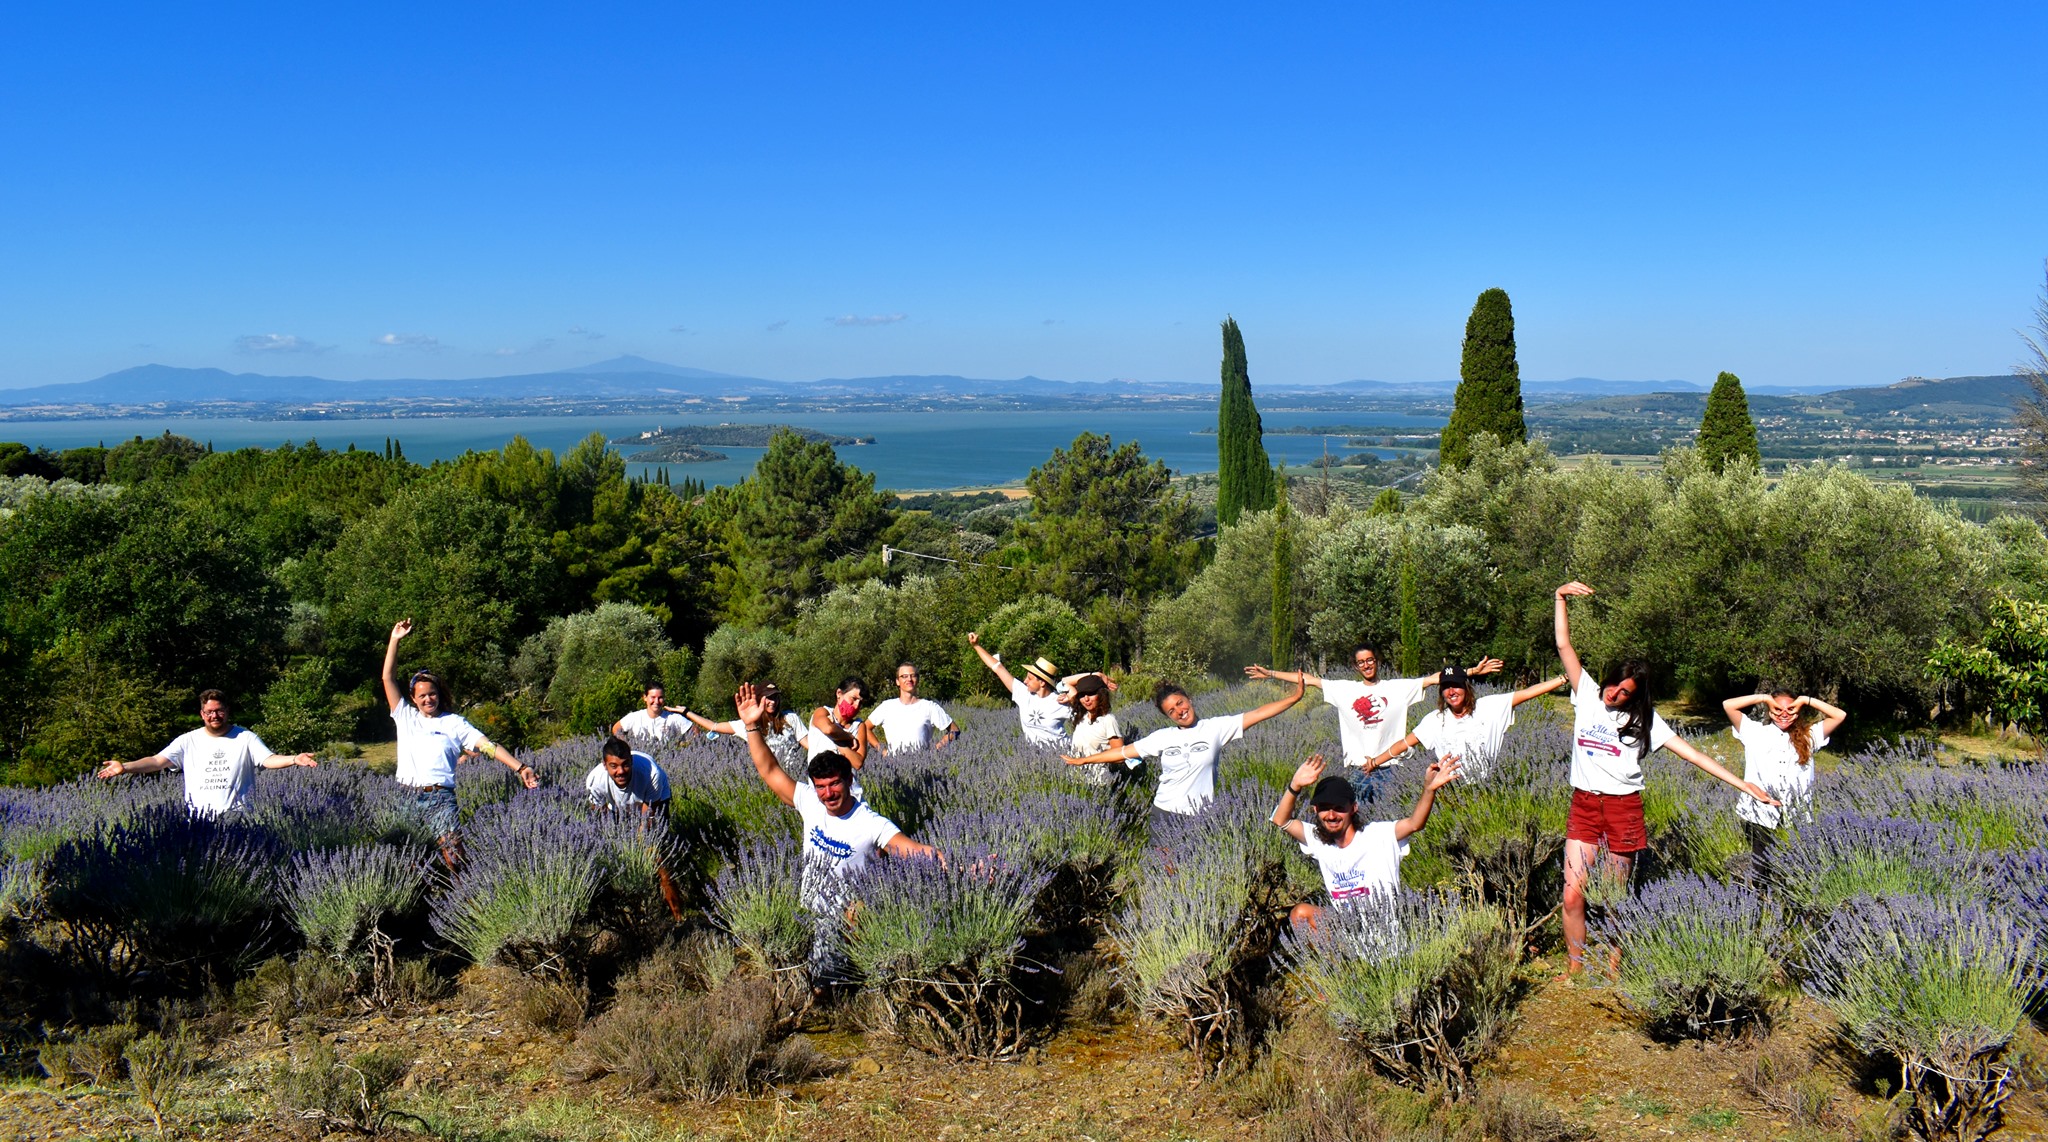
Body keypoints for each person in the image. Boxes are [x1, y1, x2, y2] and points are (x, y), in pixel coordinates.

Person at [1553, 582, 1776, 976]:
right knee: (1572, 895)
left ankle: (1613, 966)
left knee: (1612, 896)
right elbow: (1564, 646)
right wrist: (1560, 599)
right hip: (1584, 805)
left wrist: (1743, 785)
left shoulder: (1647, 721)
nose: (1615, 694)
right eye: (1614, 684)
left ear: (1635, 696)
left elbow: (1694, 755)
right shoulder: (1586, 694)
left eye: (1625, 692)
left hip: (1623, 808)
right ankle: (1574, 969)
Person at [732, 681, 937, 986]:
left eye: (834, 785)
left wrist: (966, 865)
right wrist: (751, 727)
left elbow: (913, 850)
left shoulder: (870, 823)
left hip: (848, 921)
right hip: (809, 914)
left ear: (849, 780)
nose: (827, 794)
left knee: (833, 983)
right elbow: (769, 770)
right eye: (821, 787)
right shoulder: (811, 803)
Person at [383, 619, 537, 870]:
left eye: (431, 693)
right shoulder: (405, 717)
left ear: (439, 694)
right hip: (407, 796)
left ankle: (466, 899)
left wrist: (519, 767)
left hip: (440, 797)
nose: (427, 699)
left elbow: (488, 746)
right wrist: (395, 640)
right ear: (413, 698)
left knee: (454, 856)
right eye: (421, 695)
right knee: (410, 863)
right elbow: (387, 677)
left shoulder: (454, 723)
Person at [1062, 675, 1306, 823]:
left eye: (1180, 703)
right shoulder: (1163, 737)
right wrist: (1085, 761)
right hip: (1164, 812)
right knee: (1163, 873)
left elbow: (1257, 714)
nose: (1179, 711)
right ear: (1167, 716)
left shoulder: (1216, 728)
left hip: (1199, 815)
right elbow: (1122, 752)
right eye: (1171, 711)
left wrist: (1293, 699)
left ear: (1188, 699)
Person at [1270, 752, 1463, 930]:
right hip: (1347, 931)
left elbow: (1414, 824)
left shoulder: (1377, 835)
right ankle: (1337, 966)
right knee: (1300, 913)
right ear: (1315, 811)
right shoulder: (1320, 840)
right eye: (1324, 808)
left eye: (1338, 808)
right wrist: (1295, 785)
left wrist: (1429, 790)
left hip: (1383, 933)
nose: (1331, 815)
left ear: (1353, 808)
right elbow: (1281, 820)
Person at [1244, 651, 1503, 771]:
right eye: (1361, 662)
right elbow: (1309, 679)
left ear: (1376, 662)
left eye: (1370, 660)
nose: (1366, 665)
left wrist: (1470, 672)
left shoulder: (1398, 688)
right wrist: (1271, 674)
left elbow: (1437, 679)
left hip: (1391, 769)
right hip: (1356, 768)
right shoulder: (1344, 689)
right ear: (1356, 666)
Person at [97, 689, 318, 815]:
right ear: (202, 714)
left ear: (227, 711)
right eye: (209, 712)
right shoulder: (188, 740)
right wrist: (125, 767)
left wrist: (294, 759)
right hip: (198, 821)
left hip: (238, 818)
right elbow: (156, 761)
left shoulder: (245, 737)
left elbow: (268, 759)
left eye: (219, 711)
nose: (215, 716)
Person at [1722, 688, 1846, 889]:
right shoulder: (1754, 732)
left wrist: (1806, 700)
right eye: (1778, 709)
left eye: (1791, 710)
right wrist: (1764, 698)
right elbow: (1728, 704)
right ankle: (1759, 903)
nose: (1784, 714)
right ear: (1769, 711)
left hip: (1796, 813)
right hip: (1761, 810)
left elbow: (1839, 715)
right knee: (1761, 865)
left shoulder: (1809, 735)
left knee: (1796, 864)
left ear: (1798, 711)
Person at [1363, 664, 1567, 781]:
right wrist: (1374, 762)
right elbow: (1403, 744)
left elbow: (1528, 693)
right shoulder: (1435, 720)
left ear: (1466, 687)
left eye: (1456, 686)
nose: (1451, 692)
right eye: (1446, 687)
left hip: (1487, 787)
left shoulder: (1490, 707)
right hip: (1450, 791)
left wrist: (1564, 678)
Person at [584, 735, 685, 920]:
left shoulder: (651, 773)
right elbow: (601, 818)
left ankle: (678, 916)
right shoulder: (595, 781)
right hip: (617, 806)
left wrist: (639, 843)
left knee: (656, 856)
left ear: (631, 761)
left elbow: (647, 817)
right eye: (613, 766)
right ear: (605, 765)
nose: (620, 771)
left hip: (653, 800)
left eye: (625, 764)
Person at [967, 633, 1073, 748]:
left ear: (1042, 683)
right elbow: (998, 667)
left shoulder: (1060, 701)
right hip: (1034, 758)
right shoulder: (1024, 694)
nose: (1025, 681)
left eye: (1030, 678)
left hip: (1060, 756)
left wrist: (1074, 691)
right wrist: (976, 646)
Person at [685, 683, 808, 771]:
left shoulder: (790, 717)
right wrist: (687, 712)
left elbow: (807, 743)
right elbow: (714, 726)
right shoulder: (747, 724)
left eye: (775, 697)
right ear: (760, 699)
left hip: (796, 773)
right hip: (771, 777)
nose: (773, 702)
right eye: (768, 698)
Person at [864, 662, 959, 754]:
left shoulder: (929, 707)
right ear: (897, 681)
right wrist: (882, 751)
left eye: (913, 675)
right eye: (904, 676)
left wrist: (936, 749)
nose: (909, 679)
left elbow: (954, 730)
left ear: (917, 679)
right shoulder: (886, 707)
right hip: (892, 765)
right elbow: (864, 728)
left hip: (923, 765)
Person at [1065, 674, 1124, 786]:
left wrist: (1090, 759)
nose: (1086, 699)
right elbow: (1063, 683)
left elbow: (1120, 755)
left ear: (1101, 695)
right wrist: (1097, 674)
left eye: (1091, 694)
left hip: (1098, 783)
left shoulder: (1108, 720)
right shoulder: (1081, 716)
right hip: (1076, 781)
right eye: (1082, 695)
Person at [610, 686, 693, 745]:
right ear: (645, 698)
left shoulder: (674, 718)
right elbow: (616, 729)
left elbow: (696, 733)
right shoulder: (635, 717)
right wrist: (627, 745)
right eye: (653, 697)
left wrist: (682, 745)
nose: (656, 701)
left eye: (660, 697)